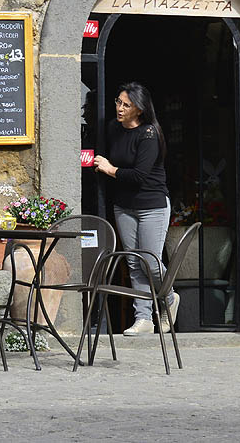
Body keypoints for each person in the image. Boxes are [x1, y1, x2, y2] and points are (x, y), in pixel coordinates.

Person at [93, 82, 179, 336]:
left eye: (126, 105)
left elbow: (140, 175)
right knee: (133, 262)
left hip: (152, 205)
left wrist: (110, 169)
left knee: (150, 261)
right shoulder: (113, 129)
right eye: (118, 102)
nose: (120, 108)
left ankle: (170, 297)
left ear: (139, 109)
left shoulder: (149, 134)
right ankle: (144, 319)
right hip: (124, 206)